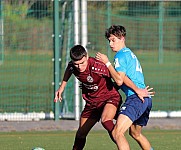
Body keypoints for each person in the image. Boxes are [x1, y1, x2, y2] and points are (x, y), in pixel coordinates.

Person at [54, 45, 152, 150]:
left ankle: (121, 142)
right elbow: (69, 70)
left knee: (106, 120)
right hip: (92, 102)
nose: (79, 67)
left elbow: (119, 78)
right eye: (76, 64)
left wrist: (137, 90)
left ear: (87, 57)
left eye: (82, 63)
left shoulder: (98, 66)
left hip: (110, 98)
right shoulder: (72, 66)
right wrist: (61, 88)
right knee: (81, 134)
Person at [96, 25, 154, 150]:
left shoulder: (120, 56)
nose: (111, 44)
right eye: (109, 41)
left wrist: (107, 63)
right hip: (146, 98)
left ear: (122, 38)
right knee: (135, 133)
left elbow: (119, 79)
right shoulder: (129, 53)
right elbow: (123, 78)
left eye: (113, 40)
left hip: (136, 98)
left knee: (117, 133)